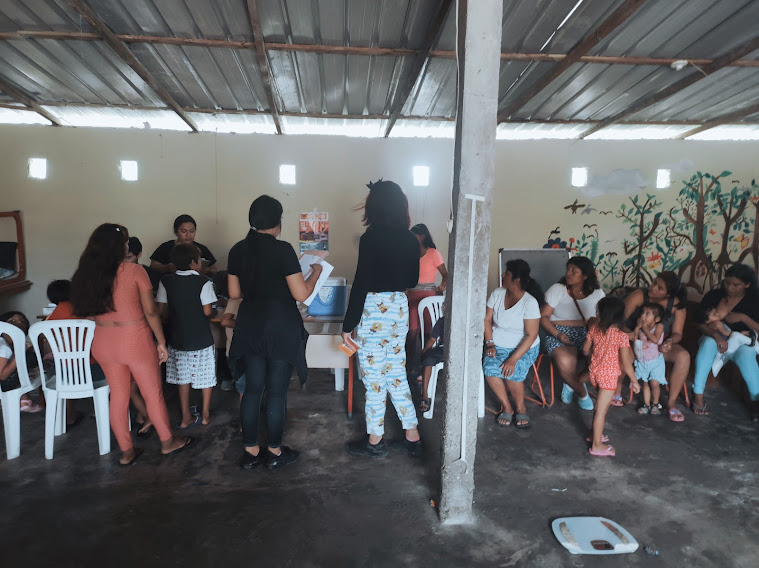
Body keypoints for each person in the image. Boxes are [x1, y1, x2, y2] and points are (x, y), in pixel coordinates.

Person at [70, 223, 193, 465]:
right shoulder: (134, 271)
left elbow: (87, 314)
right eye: (126, 241)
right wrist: (161, 341)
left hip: (103, 341)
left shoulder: (86, 274)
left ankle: (127, 452)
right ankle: (167, 442)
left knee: (118, 396)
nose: (128, 245)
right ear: (118, 246)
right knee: (152, 393)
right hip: (134, 339)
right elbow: (151, 312)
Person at [227, 196, 323, 470]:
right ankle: (275, 452)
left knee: (253, 389)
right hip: (280, 326)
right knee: (277, 392)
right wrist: (316, 273)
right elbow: (301, 294)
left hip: (251, 326)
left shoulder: (237, 250)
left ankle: (251, 452)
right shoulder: (283, 250)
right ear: (278, 222)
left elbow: (234, 292)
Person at [342, 180, 421, 458]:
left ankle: (375, 440)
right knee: (396, 373)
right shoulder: (411, 239)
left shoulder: (371, 238)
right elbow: (412, 280)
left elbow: (361, 283)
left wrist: (348, 325)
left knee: (374, 378)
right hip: (398, 308)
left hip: (374, 308)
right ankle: (412, 434)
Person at [156, 244, 218, 427]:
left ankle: (185, 417)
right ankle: (205, 415)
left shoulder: (166, 281)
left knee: (182, 378)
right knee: (206, 377)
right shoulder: (203, 281)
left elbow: (160, 310)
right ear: (193, 262)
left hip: (177, 338)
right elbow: (207, 311)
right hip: (201, 338)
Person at [692, 264, 759, 420]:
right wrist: (717, 336)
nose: (729, 287)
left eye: (736, 285)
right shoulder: (715, 296)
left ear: (747, 284)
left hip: (742, 342)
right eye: (727, 282)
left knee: (746, 355)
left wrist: (743, 318)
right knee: (708, 344)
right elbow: (698, 321)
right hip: (716, 338)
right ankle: (698, 394)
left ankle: (756, 401)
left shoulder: (755, 301)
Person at [483, 259, 543, 428]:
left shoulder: (529, 302)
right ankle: (507, 407)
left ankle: (521, 407)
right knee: (490, 368)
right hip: (498, 343)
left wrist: (513, 359)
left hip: (524, 347)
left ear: (516, 279)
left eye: (507, 273)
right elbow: (486, 320)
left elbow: (531, 335)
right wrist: (490, 343)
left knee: (511, 371)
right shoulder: (497, 293)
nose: (502, 275)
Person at [540, 256, 605, 410]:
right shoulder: (558, 289)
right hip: (558, 332)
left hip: (588, 334)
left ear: (585, 276)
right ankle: (582, 392)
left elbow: (600, 320)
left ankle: (571, 383)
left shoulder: (597, 293)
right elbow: (543, 317)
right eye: (568, 269)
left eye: (574, 271)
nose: (568, 273)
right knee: (566, 359)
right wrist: (557, 334)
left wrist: (590, 328)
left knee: (600, 358)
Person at [623, 271, 689, 422]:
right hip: (635, 342)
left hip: (658, 347)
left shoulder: (677, 305)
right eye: (654, 283)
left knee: (683, 356)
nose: (653, 288)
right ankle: (616, 392)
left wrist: (669, 341)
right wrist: (630, 334)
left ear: (668, 295)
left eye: (660, 288)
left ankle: (671, 403)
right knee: (624, 354)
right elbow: (619, 320)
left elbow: (678, 333)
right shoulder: (639, 295)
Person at [583, 297, 640, 457]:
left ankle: (594, 434)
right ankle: (597, 445)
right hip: (608, 377)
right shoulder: (621, 336)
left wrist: (596, 356)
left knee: (600, 407)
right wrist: (634, 381)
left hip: (595, 373)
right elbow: (626, 363)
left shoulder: (594, 329)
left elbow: (585, 350)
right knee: (601, 411)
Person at [407, 223, 448, 382]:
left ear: (422, 236)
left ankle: (424, 368)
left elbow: (445, 274)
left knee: (427, 333)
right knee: (411, 333)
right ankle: (409, 367)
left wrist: (443, 284)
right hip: (412, 296)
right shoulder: (409, 253)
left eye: (414, 236)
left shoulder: (433, 253)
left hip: (428, 297)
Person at [696, 302, 757, 377]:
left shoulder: (716, 323)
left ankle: (752, 342)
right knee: (738, 337)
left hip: (727, 343)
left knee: (740, 337)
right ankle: (752, 342)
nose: (718, 314)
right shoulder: (717, 324)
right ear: (707, 321)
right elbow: (726, 333)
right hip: (727, 344)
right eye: (714, 314)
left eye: (716, 312)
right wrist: (740, 334)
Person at [0, 311, 42, 413]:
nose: (17, 324)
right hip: (3, 385)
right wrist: (21, 353)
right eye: (12, 321)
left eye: (22, 322)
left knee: (29, 357)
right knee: (28, 358)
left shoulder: (10, 345)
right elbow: (2, 376)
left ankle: (23, 398)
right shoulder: (4, 347)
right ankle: (23, 399)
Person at [150, 214, 217, 276]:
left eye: (191, 231)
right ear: (176, 232)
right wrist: (166, 267)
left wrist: (207, 270)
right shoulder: (166, 247)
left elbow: (214, 269)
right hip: (171, 282)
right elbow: (153, 266)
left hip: (197, 283)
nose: (188, 235)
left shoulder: (202, 248)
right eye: (184, 231)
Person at [632, 303, 667, 415]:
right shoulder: (641, 328)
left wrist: (643, 327)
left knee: (654, 383)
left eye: (647, 314)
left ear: (657, 319)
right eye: (642, 313)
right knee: (645, 384)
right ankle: (646, 405)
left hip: (655, 361)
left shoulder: (659, 326)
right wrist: (637, 328)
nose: (642, 316)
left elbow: (655, 340)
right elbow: (635, 339)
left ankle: (655, 404)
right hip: (643, 361)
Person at [419, 312, 444, 413]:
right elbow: (433, 339)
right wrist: (425, 350)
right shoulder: (442, 321)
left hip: (458, 349)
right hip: (442, 349)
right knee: (428, 358)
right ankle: (425, 395)